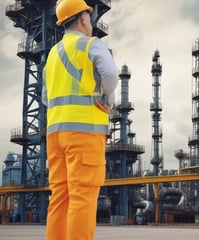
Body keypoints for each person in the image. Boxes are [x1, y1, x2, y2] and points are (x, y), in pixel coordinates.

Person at [42, 0, 118, 239]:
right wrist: (106, 97)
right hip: (84, 133)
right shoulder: (91, 45)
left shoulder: (52, 55)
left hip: (55, 135)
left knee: (60, 196)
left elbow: (46, 97)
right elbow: (111, 75)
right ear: (84, 18)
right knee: (83, 196)